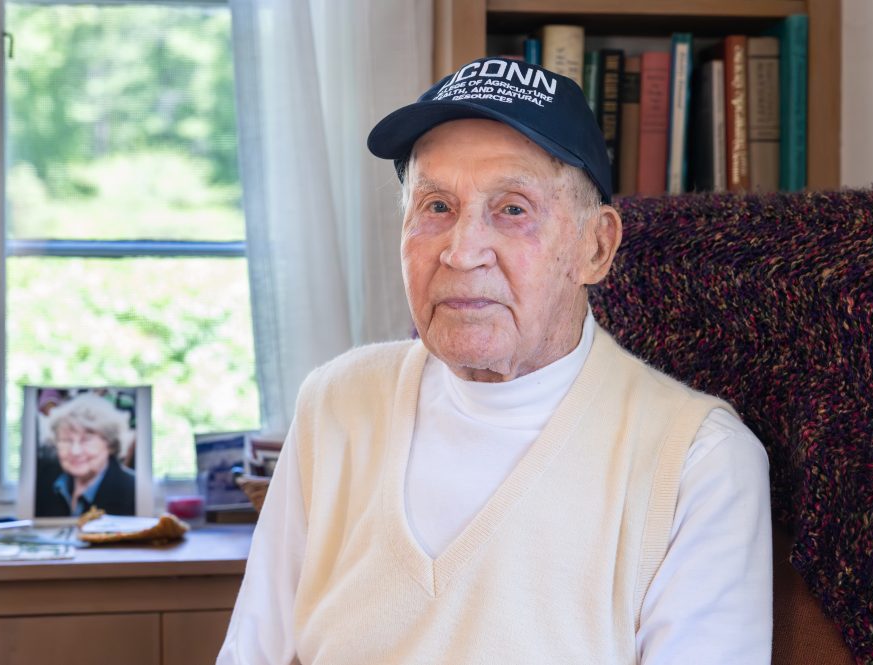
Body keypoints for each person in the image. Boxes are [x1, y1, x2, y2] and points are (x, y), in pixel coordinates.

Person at [218, 57, 772, 664]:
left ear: (597, 246)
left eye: (512, 209)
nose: (462, 252)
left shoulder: (699, 460)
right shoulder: (337, 403)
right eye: (435, 207)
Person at [35, 392, 136, 517]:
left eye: (86, 440)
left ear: (110, 444)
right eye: (66, 440)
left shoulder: (134, 490)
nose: (75, 451)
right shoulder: (43, 482)